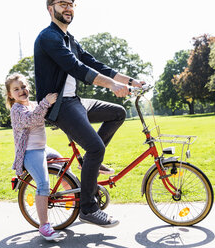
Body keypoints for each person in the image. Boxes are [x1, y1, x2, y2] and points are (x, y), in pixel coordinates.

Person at [34, 0, 145, 228]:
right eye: (62, 3)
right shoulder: (48, 38)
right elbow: (77, 68)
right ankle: (88, 208)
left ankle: (87, 163)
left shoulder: (70, 39)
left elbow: (96, 64)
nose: (68, 8)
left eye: (71, 4)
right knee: (96, 147)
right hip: (59, 105)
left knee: (118, 113)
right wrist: (112, 86)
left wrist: (131, 81)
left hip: (76, 101)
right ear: (50, 8)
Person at [5, 73, 61, 240]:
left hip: (43, 148)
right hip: (30, 152)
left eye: (23, 87)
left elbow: (43, 113)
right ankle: (44, 225)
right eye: (16, 89)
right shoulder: (17, 109)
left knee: (65, 169)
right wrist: (46, 102)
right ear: (10, 95)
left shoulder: (33, 104)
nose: (21, 90)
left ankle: (70, 199)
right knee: (43, 184)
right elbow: (32, 119)